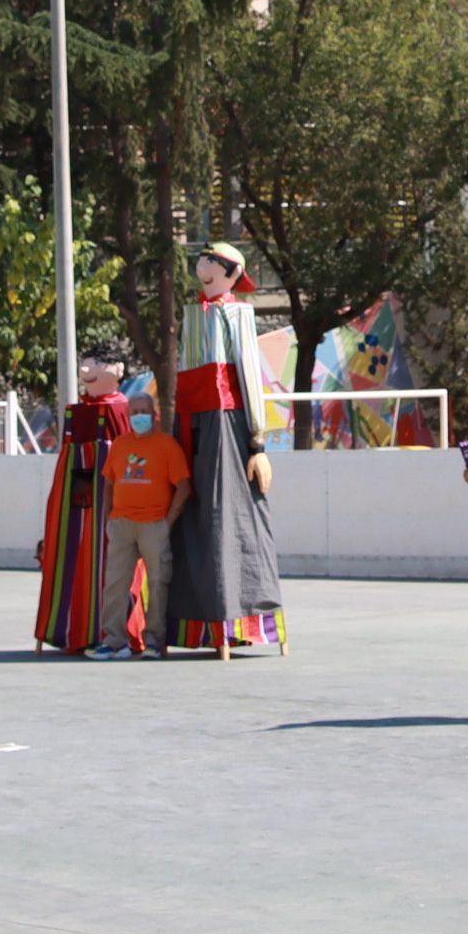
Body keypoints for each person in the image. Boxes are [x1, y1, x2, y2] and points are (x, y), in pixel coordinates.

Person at [166, 240, 285, 656]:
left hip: (224, 419)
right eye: (202, 259)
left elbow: (251, 373)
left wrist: (257, 439)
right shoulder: (194, 314)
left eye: (212, 261)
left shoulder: (238, 313)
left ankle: (238, 617)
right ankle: (191, 623)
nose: (203, 265)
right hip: (191, 420)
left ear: (231, 272)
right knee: (191, 514)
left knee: (224, 514)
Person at [33, 359, 133, 654]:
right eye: (86, 365)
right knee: (77, 550)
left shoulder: (121, 408)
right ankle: (74, 627)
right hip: (82, 493)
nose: (88, 371)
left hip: (112, 496)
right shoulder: (79, 412)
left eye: (98, 365)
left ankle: (112, 631)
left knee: (108, 559)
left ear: (118, 369)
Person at [91, 387, 190, 658]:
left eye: (144, 412)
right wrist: (109, 517)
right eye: (134, 413)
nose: (139, 417)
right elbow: (108, 483)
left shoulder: (167, 445)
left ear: (154, 415)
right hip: (122, 524)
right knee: (115, 584)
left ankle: (154, 642)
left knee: (158, 583)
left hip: (153, 525)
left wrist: (166, 523)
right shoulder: (120, 445)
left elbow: (183, 486)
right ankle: (114, 641)